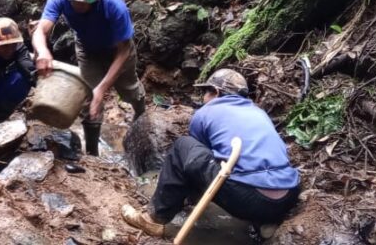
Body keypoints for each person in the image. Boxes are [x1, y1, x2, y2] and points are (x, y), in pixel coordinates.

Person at [121, 69, 300, 237]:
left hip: (247, 198)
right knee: (248, 170)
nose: (203, 98)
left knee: (184, 146)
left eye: (205, 92)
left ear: (216, 91)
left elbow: (193, 164)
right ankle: (264, 225)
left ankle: (154, 219)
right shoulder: (259, 112)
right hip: (287, 197)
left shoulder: (206, 112)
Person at [32, 0, 146, 156]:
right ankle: (92, 152)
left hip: (117, 50)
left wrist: (103, 89)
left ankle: (141, 115)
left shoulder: (113, 5)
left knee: (129, 89)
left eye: (85, 0)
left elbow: (123, 51)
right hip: (87, 48)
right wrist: (42, 51)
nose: (78, 4)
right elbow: (40, 31)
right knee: (89, 98)